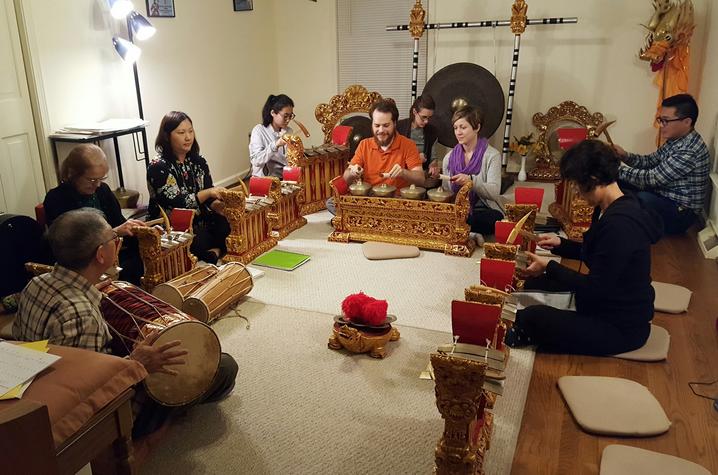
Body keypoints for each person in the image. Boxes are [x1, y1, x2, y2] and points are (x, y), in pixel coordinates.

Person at [13, 209, 238, 437]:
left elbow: (21, 336)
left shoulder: (37, 283)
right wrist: (136, 364)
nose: (118, 241)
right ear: (101, 254)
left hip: (35, 388)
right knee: (225, 367)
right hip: (96, 420)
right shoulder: (81, 315)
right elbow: (92, 398)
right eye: (114, 237)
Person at [505, 140, 663, 356]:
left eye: (578, 186)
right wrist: (561, 245)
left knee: (533, 317)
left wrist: (549, 266)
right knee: (534, 283)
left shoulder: (621, 224)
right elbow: (600, 254)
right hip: (604, 304)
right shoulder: (610, 205)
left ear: (594, 180)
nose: (577, 193)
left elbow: (595, 288)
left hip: (620, 326)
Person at [44, 144, 145, 284]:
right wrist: (115, 232)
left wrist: (142, 232)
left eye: (101, 179)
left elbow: (119, 222)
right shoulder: (56, 198)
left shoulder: (102, 190)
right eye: (91, 180)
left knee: (143, 257)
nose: (97, 184)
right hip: (81, 263)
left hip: (109, 252)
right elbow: (71, 245)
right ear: (72, 174)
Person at [615, 93, 710, 235]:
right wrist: (625, 156)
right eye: (661, 120)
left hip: (681, 213)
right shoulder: (676, 139)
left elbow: (652, 179)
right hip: (663, 195)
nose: (661, 125)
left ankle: (629, 227)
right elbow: (649, 162)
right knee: (619, 183)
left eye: (666, 121)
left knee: (642, 198)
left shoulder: (689, 149)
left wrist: (615, 169)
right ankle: (621, 224)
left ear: (687, 122)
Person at [147, 111, 229, 264]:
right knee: (193, 240)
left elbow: (208, 194)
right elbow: (177, 203)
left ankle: (213, 252)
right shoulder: (158, 166)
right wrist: (208, 193)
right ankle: (211, 251)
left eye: (190, 131)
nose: (188, 137)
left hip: (200, 220)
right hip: (172, 227)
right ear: (167, 136)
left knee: (230, 224)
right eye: (181, 132)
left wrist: (220, 206)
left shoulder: (198, 160)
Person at [430, 106, 503, 244]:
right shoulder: (448, 158)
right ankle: (471, 233)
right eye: (456, 128)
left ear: (476, 128)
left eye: (463, 127)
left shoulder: (492, 155)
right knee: (439, 215)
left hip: (482, 210)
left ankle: (463, 229)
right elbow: (447, 194)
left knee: (494, 219)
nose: (458, 132)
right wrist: (438, 179)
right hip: (458, 208)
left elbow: (494, 192)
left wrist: (471, 181)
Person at [342, 99, 424, 189]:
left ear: (395, 124)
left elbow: (420, 179)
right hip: (370, 197)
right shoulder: (364, 145)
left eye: (386, 125)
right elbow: (346, 178)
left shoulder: (408, 145)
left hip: (396, 199)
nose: (381, 131)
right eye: (377, 125)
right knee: (331, 202)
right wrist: (352, 172)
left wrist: (403, 173)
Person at [249, 94, 295, 178]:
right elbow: (256, 160)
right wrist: (276, 145)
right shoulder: (259, 130)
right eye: (285, 116)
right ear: (273, 113)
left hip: (285, 177)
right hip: (265, 180)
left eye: (290, 116)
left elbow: (289, 160)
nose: (288, 120)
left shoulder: (288, 131)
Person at [396, 94, 438, 170]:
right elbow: (394, 156)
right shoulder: (399, 127)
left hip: (422, 171)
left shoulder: (432, 131)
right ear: (414, 111)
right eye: (423, 117)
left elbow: (433, 158)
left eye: (429, 117)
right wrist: (416, 158)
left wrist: (433, 165)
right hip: (402, 171)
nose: (426, 121)